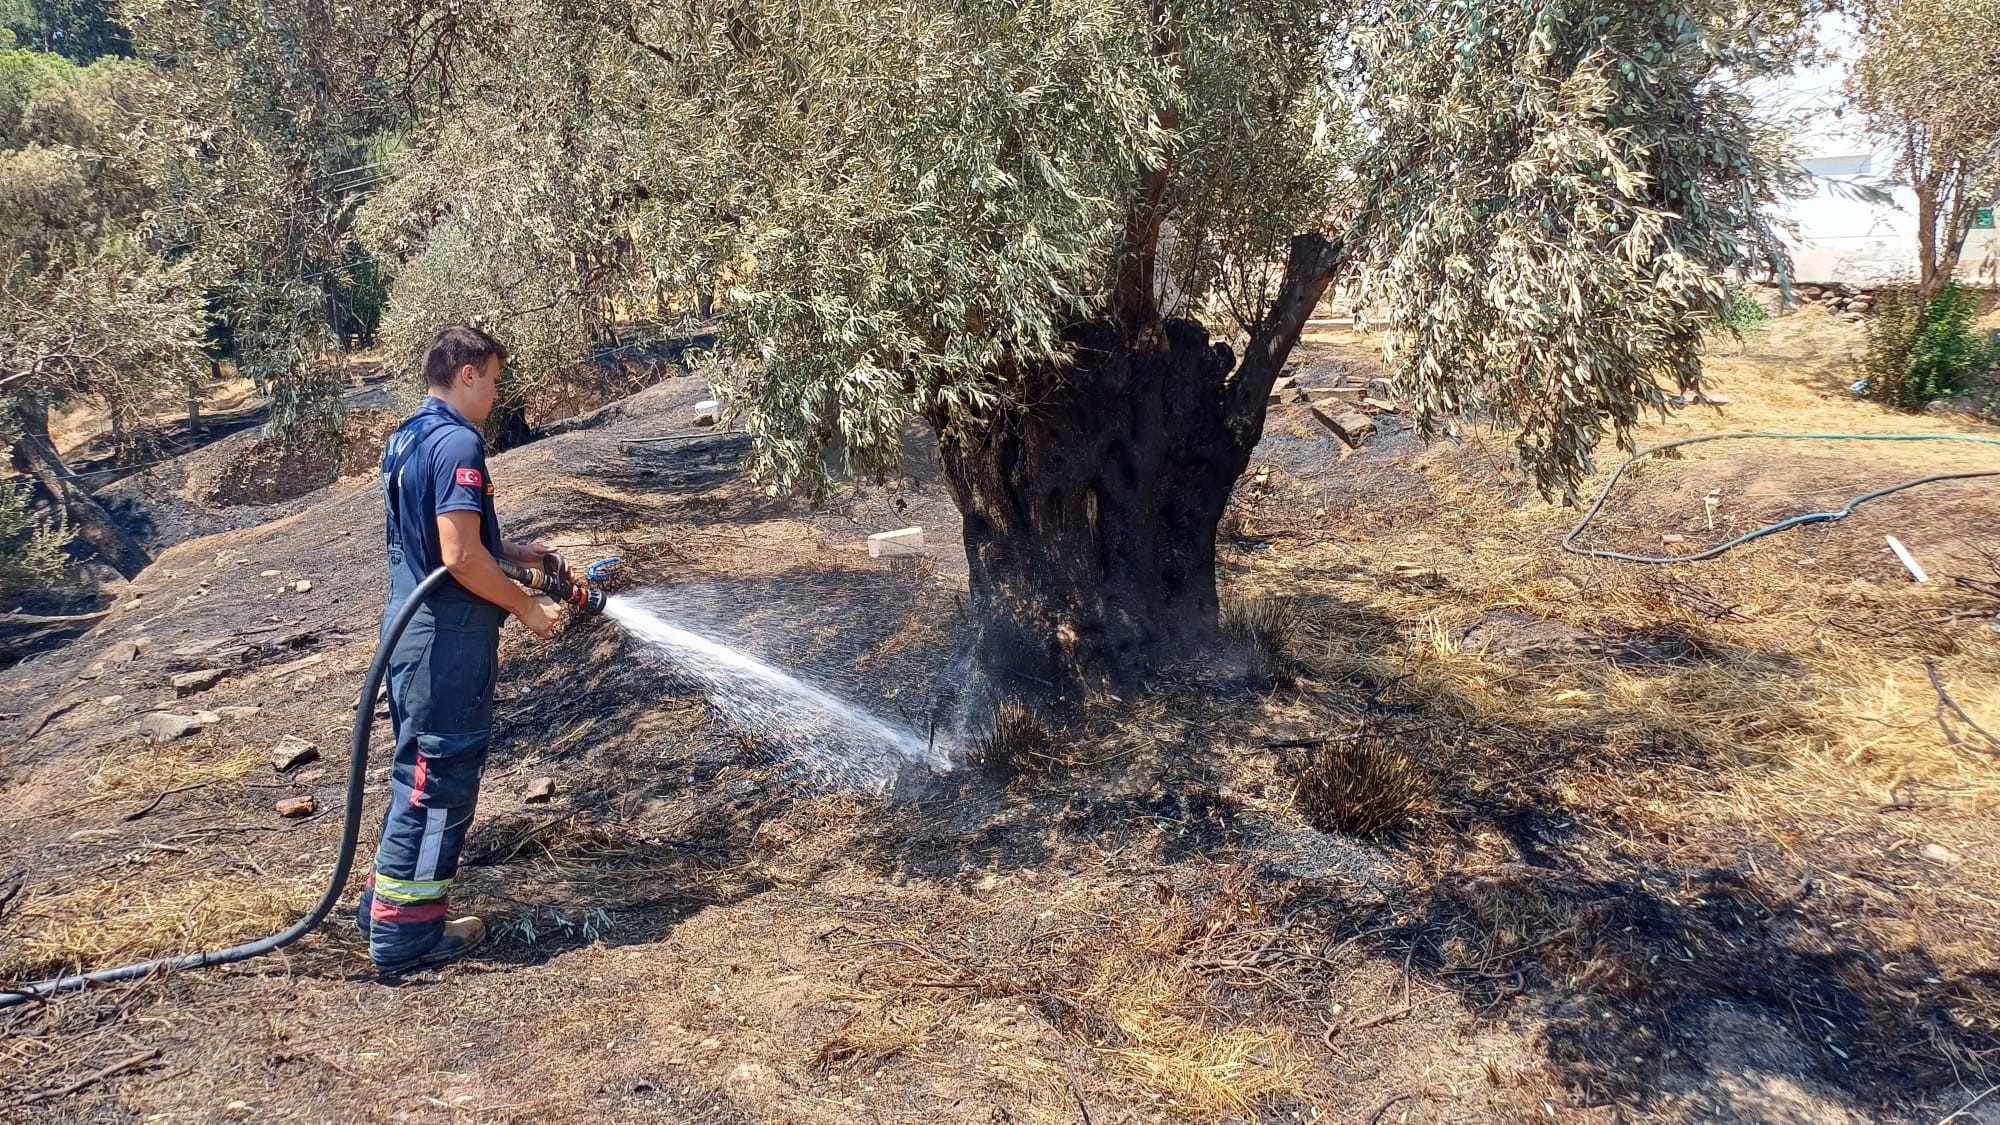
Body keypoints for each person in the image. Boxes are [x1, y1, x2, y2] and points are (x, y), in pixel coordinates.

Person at [356, 325, 564, 973]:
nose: (496, 393)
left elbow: (450, 539)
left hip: (412, 637)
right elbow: (460, 556)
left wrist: (526, 556)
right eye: (494, 379)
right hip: (446, 645)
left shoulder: (408, 437)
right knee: (441, 782)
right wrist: (527, 607)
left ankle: (382, 908)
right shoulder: (458, 442)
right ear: (468, 372)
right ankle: (406, 938)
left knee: (416, 773)